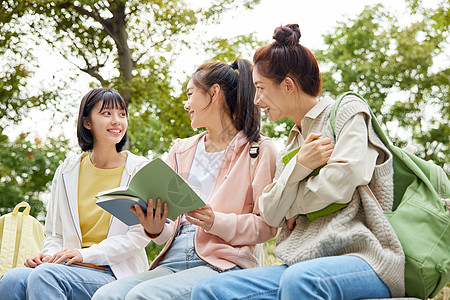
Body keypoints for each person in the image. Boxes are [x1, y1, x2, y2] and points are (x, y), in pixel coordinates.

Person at [191, 24, 405, 300]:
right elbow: (269, 212)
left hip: (364, 257)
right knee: (209, 290)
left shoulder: (347, 112)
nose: (256, 100)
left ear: (288, 85)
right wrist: (298, 167)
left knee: (300, 280)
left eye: (261, 88)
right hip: (301, 261)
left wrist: (292, 204)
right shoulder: (291, 147)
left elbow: (341, 183)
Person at [92, 58, 278, 300]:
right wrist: (155, 228)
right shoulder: (181, 150)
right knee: (105, 296)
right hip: (173, 259)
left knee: (142, 297)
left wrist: (215, 221)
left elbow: (267, 226)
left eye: (190, 94)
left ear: (214, 93)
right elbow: (168, 230)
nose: (186, 103)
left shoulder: (259, 150)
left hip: (222, 263)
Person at [0, 88, 151, 299]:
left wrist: (83, 254)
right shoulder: (67, 170)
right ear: (87, 122)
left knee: (45, 276)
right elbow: (55, 234)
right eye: (107, 113)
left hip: (116, 272)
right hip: (67, 267)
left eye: (122, 114)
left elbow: (138, 235)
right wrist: (48, 257)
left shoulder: (138, 169)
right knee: (12, 279)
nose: (117, 121)